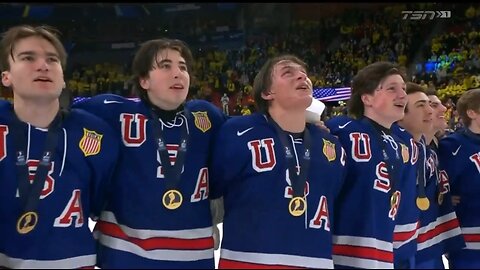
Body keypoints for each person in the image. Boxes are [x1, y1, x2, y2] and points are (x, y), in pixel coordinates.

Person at [73, 38, 227, 268]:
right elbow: (55, 113)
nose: (178, 73)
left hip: (193, 256)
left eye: (183, 67)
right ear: (144, 80)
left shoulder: (205, 116)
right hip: (124, 255)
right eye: (166, 66)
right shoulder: (111, 110)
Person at [209, 54, 346, 268]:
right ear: (267, 92)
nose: (302, 76)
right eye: (288, 73)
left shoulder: (332, 145)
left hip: (316, 261)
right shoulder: (238, 131)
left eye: (304, 73)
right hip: (249, 262)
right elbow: (212, 189)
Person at [0, 25, 119, 268]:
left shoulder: (95, 133)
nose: (43, 65)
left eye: (52, 60)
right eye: (28, 58)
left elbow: (100, 201)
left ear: (63, 78)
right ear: (6, 76)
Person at [325, 62, 418, 268]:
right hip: (343, 251)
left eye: (403, 88)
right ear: (366, 98)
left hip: (384, 248)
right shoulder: (341, 130)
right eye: (392, 88)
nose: (402, 95)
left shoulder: (404, 141)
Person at [396, 83, 464, 269]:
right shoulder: (396, 151)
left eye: (431, 104)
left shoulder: (435, 150)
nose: (434, 111)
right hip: (408, 246)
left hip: (432, 242)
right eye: (423, 105)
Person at [438, 88, 480, 269]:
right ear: (472, 113)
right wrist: (446, 198)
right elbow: (439, 187)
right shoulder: (451, 146)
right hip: (468, 242)